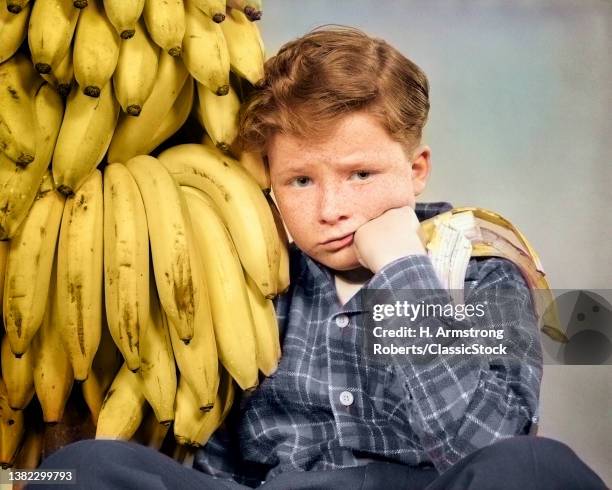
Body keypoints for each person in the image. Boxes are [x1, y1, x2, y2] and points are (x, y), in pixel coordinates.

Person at [34, 26, 606, 490]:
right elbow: (218, 457)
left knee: (538, 468)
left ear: (416, 169)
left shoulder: (480, 268)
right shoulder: (252, 273)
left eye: (361, 174)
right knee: (75, 469)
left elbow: (484, 444)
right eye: (301, 180)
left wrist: (404, 272)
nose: (333, 208)